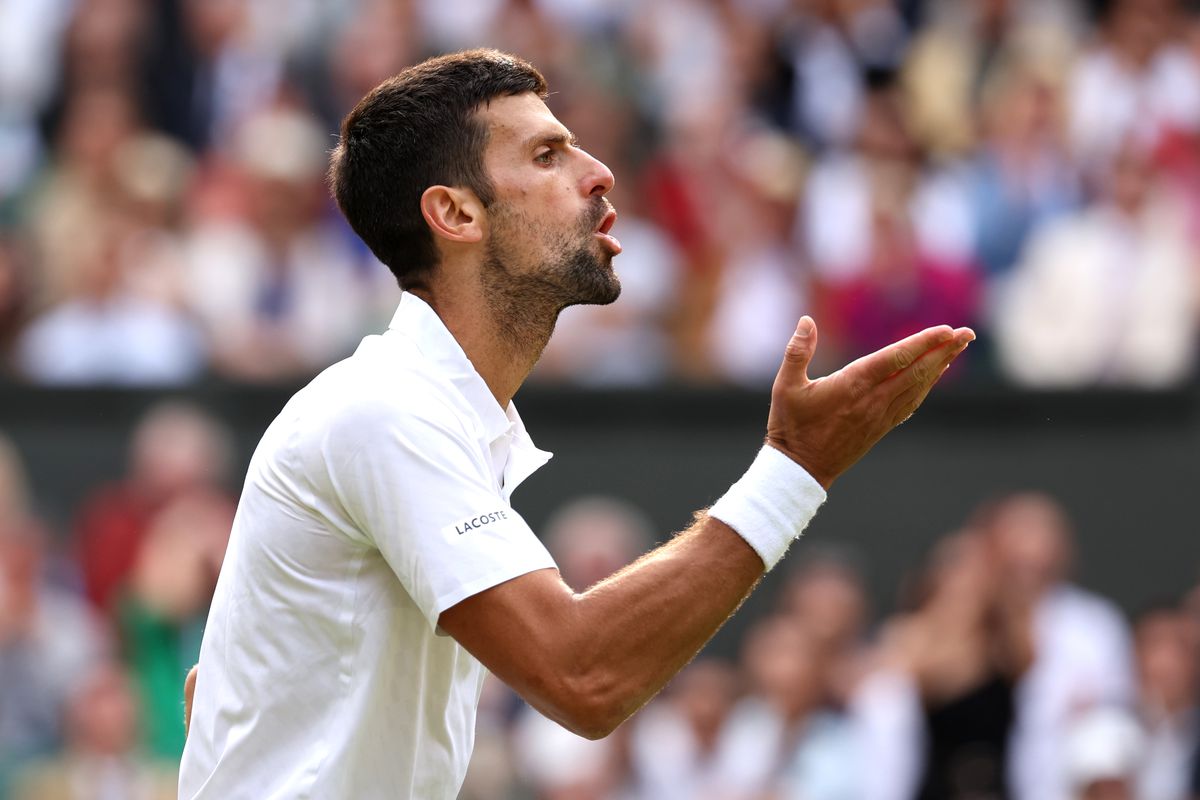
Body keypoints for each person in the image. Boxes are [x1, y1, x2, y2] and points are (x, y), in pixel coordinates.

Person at [178, 49, 974, 799]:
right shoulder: (384, 409)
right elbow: (583, 676)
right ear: (455, 213)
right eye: (547, 156)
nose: (599, 173)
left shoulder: (427, 416)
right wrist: (797, 469)